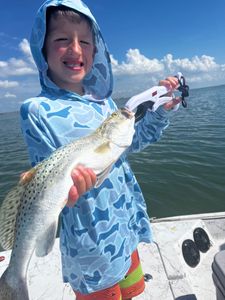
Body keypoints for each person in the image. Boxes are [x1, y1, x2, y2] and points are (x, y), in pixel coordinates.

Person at [20, 0, 180, 299]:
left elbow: (132, 142)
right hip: (91, 244)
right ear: (42, 49)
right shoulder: (37, 110)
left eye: (85, 41)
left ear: (96, 50)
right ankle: (14, 276)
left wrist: (160, 110)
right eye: (62, 39)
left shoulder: (104, 103)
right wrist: (70, 188)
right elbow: (45, 179)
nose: (76, 49)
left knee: (132, 291)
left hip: (125, 228)